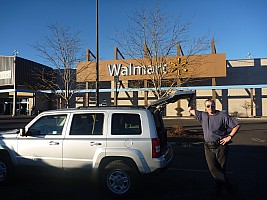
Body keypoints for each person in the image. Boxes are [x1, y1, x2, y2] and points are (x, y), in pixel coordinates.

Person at [188, 98, 240, 197]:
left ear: (215, 106)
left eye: (212, 105)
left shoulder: (222, 115)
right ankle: (231, 188)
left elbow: (236, 125)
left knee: (220, 170)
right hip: (208, 146)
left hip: (221, 146)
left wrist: (229, 137)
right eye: (208, 106)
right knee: (213, 169)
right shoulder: (202, 115)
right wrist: (190, 97)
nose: (210, 108)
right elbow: (190, 109)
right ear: (205, 107)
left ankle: (218, 190)